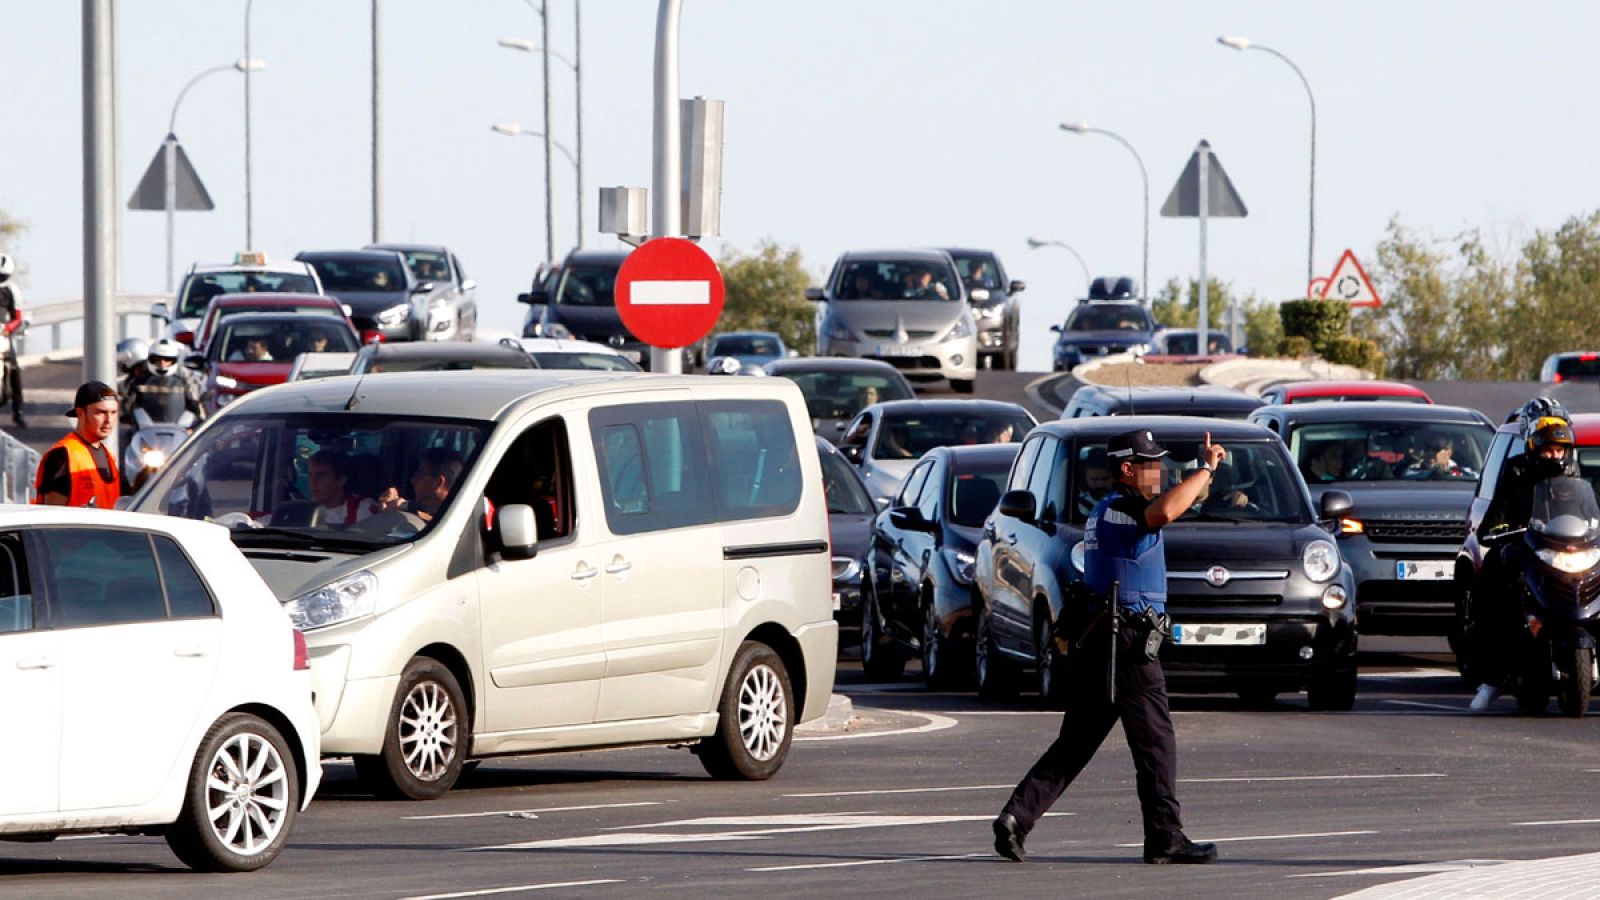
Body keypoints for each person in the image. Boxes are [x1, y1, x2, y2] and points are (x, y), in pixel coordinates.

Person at [993, 428, 1222, 866]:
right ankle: (1165, 837)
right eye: (1151, 464)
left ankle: (1016, 818)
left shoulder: (1108, 510)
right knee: (1156, 743)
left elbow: (1179, 501)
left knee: (1076, 742)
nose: (1159, 471)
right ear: (1127, 469)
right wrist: (1205, 470)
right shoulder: (1128, 509)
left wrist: (1205, 471)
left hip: (1102, 639)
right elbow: (1167, 510)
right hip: (1128, 644)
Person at [34, 381, 120, 508]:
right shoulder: (63, 456)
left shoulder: (108, 456)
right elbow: (52, 515)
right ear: (80, 413)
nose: (109, 420)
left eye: (113, 412)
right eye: (100, 412)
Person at [119, 339, 204, 425]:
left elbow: (193, 404)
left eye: (167, 360)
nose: (162, 364)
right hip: (146, 427)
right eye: (158, 359)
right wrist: (128, 417)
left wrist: (194, 420)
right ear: (151, 359)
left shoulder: (184, 380)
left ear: (174, 360)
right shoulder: (141, 380)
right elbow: (129, 404)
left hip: (177, 427)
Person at [375, 447, 464, 523]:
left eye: (420, 474)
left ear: (438, 483)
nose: (413, 480)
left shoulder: (452, 523)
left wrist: (389, 515)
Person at [307, 449, 375, 527]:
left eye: (320, 476)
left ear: (341, 481)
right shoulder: (304, 512)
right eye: (310, 475)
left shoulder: (362, 510)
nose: (312, 482)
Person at [0, 254, 26, 427]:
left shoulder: (11, 290)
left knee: (15, 370)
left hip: (3, 334)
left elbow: (18, 316)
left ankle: (18, 412)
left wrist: (8, 328)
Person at [1404, 432, 1475, 480]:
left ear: (1448, 453)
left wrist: (1448, 475)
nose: (1430, 452)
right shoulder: (1412, 470)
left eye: (1436, 448)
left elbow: (1476, 479)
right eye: (1428, 448)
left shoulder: (1463, 473)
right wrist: (1432, 473)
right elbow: (1406, 477)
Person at [1076, 450, 1114, 518]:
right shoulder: (1079, 506)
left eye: (1105, 479)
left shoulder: (1125, 500)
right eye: (1094, 479)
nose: (1100, 484)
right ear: (1085, 479)